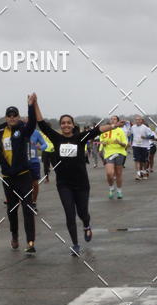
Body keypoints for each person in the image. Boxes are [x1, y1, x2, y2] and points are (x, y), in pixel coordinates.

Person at [32, 94, 115, 256]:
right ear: (60, 126)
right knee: (69, 214)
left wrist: (113, 125)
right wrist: (35, 104)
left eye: (68, 122)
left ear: (73, 125)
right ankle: (75, 244)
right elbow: (41, 124)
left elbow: (97, 130)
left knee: (82, 213)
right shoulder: (56, 138)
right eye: (63, 123)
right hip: (64, 184)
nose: (66, 125)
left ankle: (86, 224)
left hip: (81, 184)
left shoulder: (80, 138)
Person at [0, 98, 37, 255]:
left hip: (23, 176)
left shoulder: (23, 129)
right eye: (9, 115)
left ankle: (30, 242)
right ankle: (14, 235)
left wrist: (30, 106)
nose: (12, 118)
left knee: (28, 209)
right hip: (8, 178)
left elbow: (32, 123)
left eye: (15, 115)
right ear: (6, 117)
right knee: (12, 210)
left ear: (18, 117)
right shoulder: (0, 132)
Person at [100, 115, 128, 199]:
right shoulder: (105, 130)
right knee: (109, 173)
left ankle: (119, 191)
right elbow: (101, 141)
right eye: (111, 119)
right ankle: (111, 188)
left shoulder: (120, 131)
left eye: (114, 119)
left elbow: (125, 145)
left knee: (118, 173)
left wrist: (119, 142)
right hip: (109, 153)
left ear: (117, 121)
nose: (112, 120)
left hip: (120, 153)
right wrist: (102, 144)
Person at [28, 127, 47, 211]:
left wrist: (40, 147)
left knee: (35, 183)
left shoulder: (36, 133)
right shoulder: (19, 132)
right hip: (22, 162)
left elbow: (45, 144)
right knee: (24, 184)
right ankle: (26, 201)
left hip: (34, 162)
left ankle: (34, 202)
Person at [130, 115, 154, 180]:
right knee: (136, 160)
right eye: (136, 120)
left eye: (138, 120)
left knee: (144, 161)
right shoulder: (133, 127)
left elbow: (152, 136)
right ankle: (138, 174)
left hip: (144, 146)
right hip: (136, 145)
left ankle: (144, 171)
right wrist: (130, 142)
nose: (137, 121)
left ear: (141, 120)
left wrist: (145, 137)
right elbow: (131, 135)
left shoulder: (145, 128)